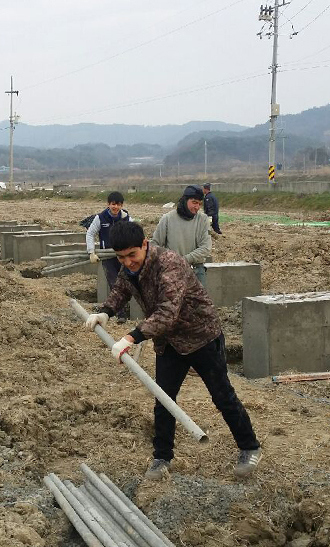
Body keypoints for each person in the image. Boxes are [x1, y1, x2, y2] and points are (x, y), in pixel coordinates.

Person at [85, 221, 261, 480]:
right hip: (168, 342)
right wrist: (105, 312)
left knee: (222, 396)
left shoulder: (169, 264)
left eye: (132, 255)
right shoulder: (129, 267)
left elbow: (167, 312)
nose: (128, 262)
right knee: (164, 399)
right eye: (121, 257)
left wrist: (132, 337)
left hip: (201, 336)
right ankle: (162, 457)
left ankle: (250, 447)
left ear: (145, 244)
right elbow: (121, 289)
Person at [151, 185, 211, 287]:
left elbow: (205, 248)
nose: (197, 207)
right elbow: (155, 245)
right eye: (194, 202)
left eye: (199, 204)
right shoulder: (168, 219)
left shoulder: (203, 220)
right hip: (172, 272)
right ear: (185, 200)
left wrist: (183, 260)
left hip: (196, 271)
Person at [86, 191, 132, 323]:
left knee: (126, 282)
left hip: (123, 256)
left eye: (118, 204)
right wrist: (91, 252)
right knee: (114, 284)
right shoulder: (101, 218)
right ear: (108, 204)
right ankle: (121, 314)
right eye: (113, 204)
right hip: (108, 257)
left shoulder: (126, 218)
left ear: (122, 205)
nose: (115, 207)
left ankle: (125, 309)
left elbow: (134, 233)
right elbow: (90, 234)